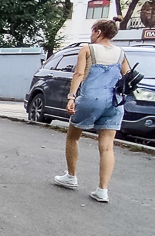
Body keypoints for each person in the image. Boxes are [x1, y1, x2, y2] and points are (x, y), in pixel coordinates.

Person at [53, 16, 132, 203]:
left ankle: (71, 177)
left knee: (73, 136)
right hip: (114, 102)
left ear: (98, 32)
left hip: (91, 99)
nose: (91, 34)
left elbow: (79, 73)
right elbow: (127, 75)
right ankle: (102, 190)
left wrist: (71, 97)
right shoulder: (121, 53)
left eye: (92, 31)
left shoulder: (87, 49)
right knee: (106, 146)